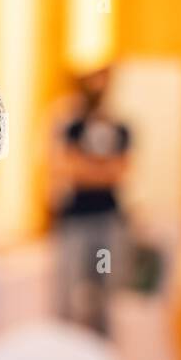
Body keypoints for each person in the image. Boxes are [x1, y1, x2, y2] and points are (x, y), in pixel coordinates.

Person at [51, 66, 132, 337]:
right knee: (69, 290)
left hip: (109, 220)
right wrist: (99, 171)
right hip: (75, 220)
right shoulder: (71, 126)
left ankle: (103, 355)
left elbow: (119, 173)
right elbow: (68, 167)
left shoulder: (120, 128)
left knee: (106, 292)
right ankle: (67, 353)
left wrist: (87, 169)